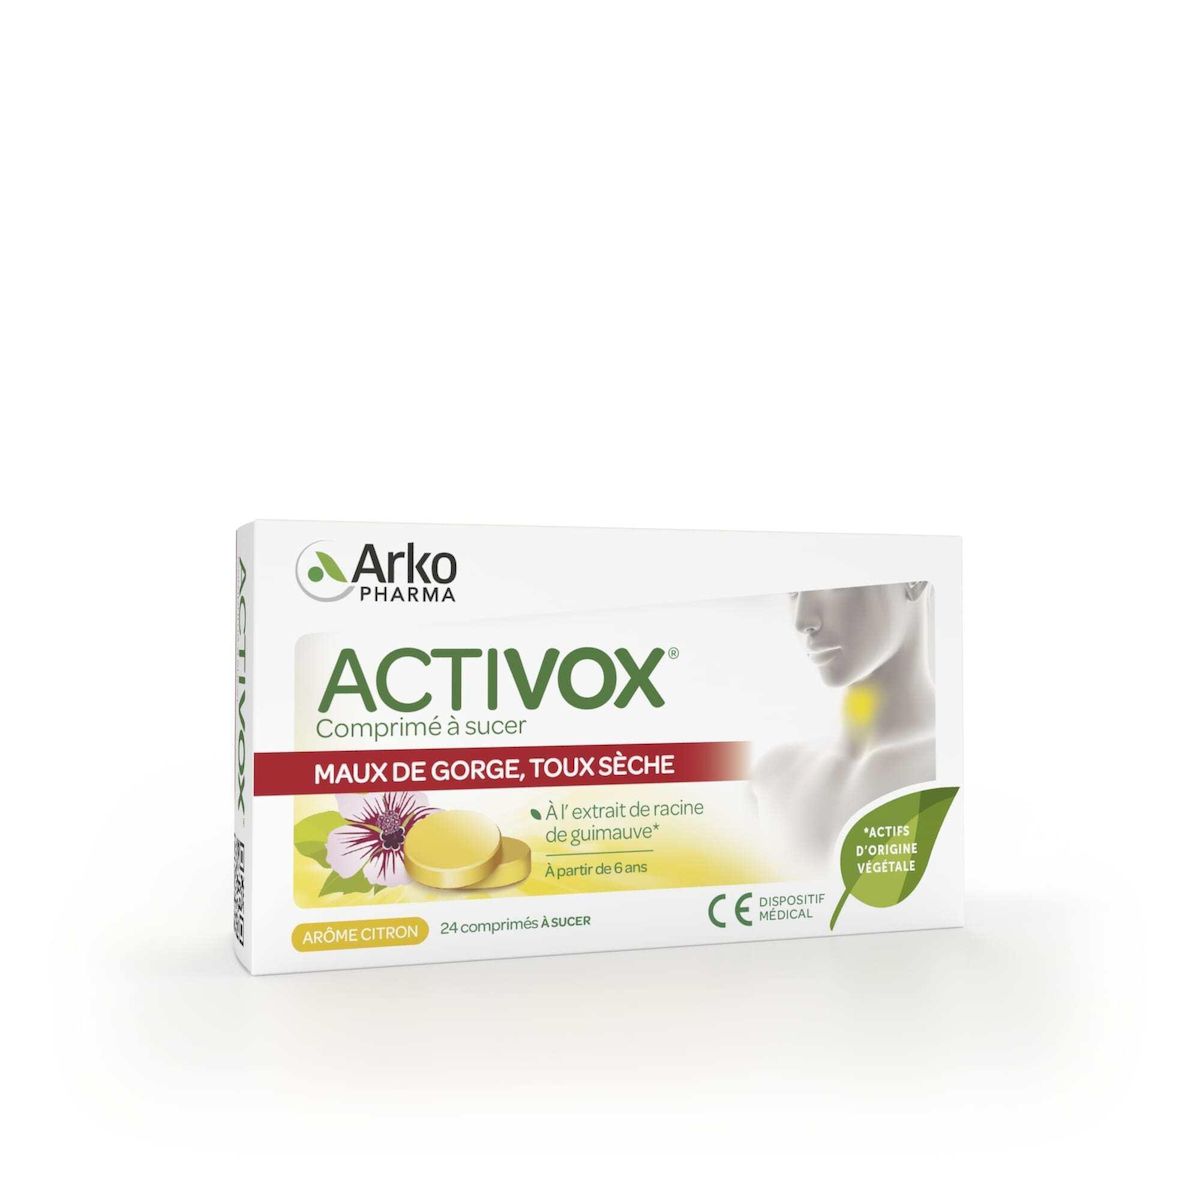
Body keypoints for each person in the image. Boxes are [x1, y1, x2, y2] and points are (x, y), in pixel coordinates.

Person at [752, 582, 936, 869]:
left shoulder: (955, 769)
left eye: (832, 585)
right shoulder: (771, 777)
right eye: (792, 592)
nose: (803, 621)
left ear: (914, 581)